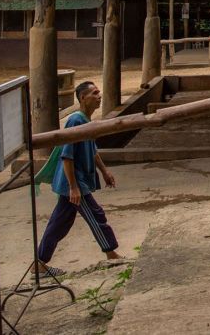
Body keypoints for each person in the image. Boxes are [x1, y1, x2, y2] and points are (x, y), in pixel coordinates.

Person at [34, 81, 120, 276]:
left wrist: (104, 171)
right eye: (94, 93)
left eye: (99, 93)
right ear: (83, 98)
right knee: (95, 215)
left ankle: (39, 263)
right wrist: (73, 187)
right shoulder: (76, 121)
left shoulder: (86, 121)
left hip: (73, 183)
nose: (99, 96)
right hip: (74, 182)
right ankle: (111, 253)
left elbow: (92, 150)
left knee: (59, 223)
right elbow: (67, 156)